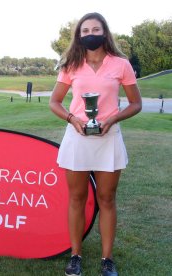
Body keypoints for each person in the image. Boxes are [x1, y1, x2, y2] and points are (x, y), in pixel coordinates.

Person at [49, 12, 142, 276]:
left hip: (109, 138)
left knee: (107, 199)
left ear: (105, 32)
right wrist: (72, 118)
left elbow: (136, 104)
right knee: (77, 198)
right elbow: (54, 102)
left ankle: (106, 259)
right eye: (85, 31)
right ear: (79, 35)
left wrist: (113, 119)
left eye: (96, 29)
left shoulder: (121, 64)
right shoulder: (71, 64)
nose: (91, 34)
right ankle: (75, 255)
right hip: (77, 137)